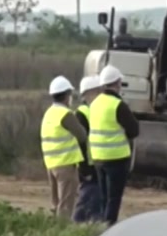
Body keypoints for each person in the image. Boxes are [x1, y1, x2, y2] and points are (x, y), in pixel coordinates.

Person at [88, 65, 140, 226]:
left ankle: (101, 226)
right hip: (116, 158)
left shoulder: (95, 104)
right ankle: (108, 229)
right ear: (117, 83)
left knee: (104, 197)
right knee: (113, 198)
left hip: (98, 158)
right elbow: (134, 130)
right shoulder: (118, 105)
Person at [41, 75, 88, 220]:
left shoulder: (49, 113)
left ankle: (54, 231)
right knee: (66, 205)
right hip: (65, 164)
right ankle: (62, 234)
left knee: (56, 203)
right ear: (67, 95)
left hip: (51, 164)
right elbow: (82, 135)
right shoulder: (65, 114)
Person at [72, 75, 104, 223]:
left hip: (97, 161)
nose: (101, 93)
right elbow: (80, 143)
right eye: (98, 91)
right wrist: (84, 168)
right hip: (89, 165)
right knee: (87, 195)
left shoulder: (94, 110)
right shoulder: (82, 113)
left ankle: (92, 222)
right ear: (89, 93)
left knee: (96, 197)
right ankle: (77, 223)